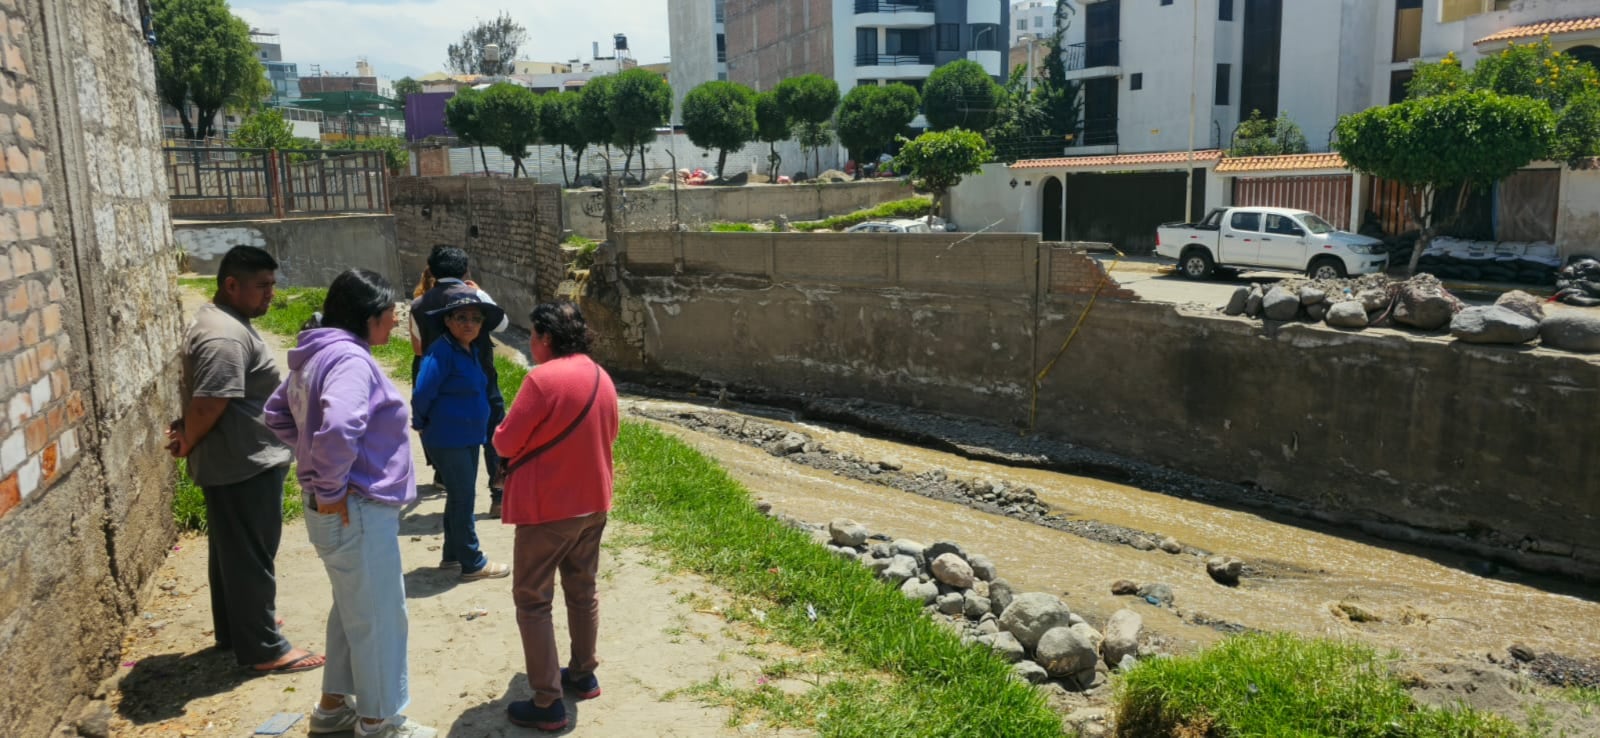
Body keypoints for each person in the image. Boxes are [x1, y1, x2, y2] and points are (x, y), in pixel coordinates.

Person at [264, 270, 436, 738]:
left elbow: (277, 414)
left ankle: (333, 707)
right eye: (390, 316)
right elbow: (339, 427)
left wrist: (314, 468)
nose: (396, 323)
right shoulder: (350, 361)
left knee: (353, 609)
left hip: (340, 508)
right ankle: (380, 722)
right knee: (379, 616)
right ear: (369, 317)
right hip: (353, 507)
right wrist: (332, 486)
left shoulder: (316, 354)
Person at [168, 245, 324, 676]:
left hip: (238, 459)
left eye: (272, 285)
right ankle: (263, 647)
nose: (270, 295)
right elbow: (211, 400)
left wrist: (190, 437)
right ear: (231, 285)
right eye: (262, 287)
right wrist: (187, 440)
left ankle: (238, 629)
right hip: (243, 462)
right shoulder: (223, 335)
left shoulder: (223, 321)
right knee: (251, 553)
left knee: (232, 551)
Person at [492, 301, 619, 732]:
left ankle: (547, 702)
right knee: (583, 591)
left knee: (533, 600)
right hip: (594, 503)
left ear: (544, 338)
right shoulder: (602, 376)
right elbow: (610, 433)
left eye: (532, 336)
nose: (530, 344)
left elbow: (507, 444)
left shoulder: (541, 379)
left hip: (548, 508)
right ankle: (583, 674)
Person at [412, 285, 511, 580]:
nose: (470, 324)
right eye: (462, 317)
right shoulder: (441, 352)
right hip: (448, 437)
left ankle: (452, 555)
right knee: (464, 498)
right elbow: (422, 392)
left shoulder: (469, 350)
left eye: (476, 319)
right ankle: (472, 561)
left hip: (468, 437)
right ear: (447, 320)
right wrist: (421, 422)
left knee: (458, 496)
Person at [411, 246, 510, 514]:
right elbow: (502, 325)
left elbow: (418, 349)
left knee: (449, 428)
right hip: (481, 376)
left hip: (441, 378)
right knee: (493, 432)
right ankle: (498, 495)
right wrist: (481, 293)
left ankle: (446, 477)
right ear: (465, 269)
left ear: (431, 271)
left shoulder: (419, 305)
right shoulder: (474, 294)